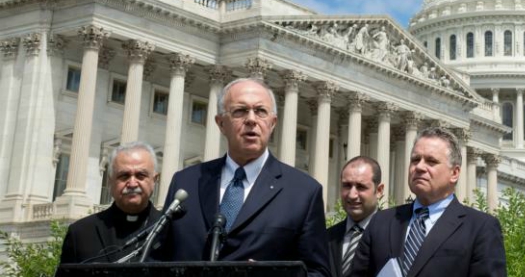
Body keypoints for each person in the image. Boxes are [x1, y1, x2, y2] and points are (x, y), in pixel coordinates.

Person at [157, 78, 331, 276]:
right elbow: (158, 260)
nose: (251, 119)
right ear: (221, 123)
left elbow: (319, 273)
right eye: (240, 111)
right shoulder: (185, 183)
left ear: (272, 123)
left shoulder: (303, 192)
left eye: (260, 111)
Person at [351, 127, 507, 277]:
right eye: (415, 159)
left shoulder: (481, 228)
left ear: (454, 173)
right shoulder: (381, 222)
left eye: (431, 161)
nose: (419, 167)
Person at [59, 141, 162, 264]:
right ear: (110, 181)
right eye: (124, 176)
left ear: (154, 180)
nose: (132, 184)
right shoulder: (81, 233)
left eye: (140, 175)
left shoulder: (171, 230)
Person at [327, 156, 384, 277]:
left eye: (361, 187)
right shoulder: (326, 237)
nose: (352, 195)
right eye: (347, 185)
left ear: (379, 191)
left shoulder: (394, 236)